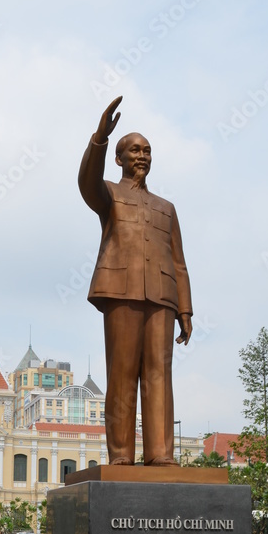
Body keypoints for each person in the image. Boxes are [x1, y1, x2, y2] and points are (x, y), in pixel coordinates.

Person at [79, 95, 193, 465]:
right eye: (134, 150)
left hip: (162, 297)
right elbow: (87, 182)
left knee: (160, 375)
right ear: (120, 158)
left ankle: (160, 454)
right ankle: (122, 457)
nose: (141, 156)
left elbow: (179, 261)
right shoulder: (109, 194)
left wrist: (186, 310)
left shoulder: (166, 207)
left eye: (146, 150)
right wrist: (100, 137)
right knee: (123, 374)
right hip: (121, 292)